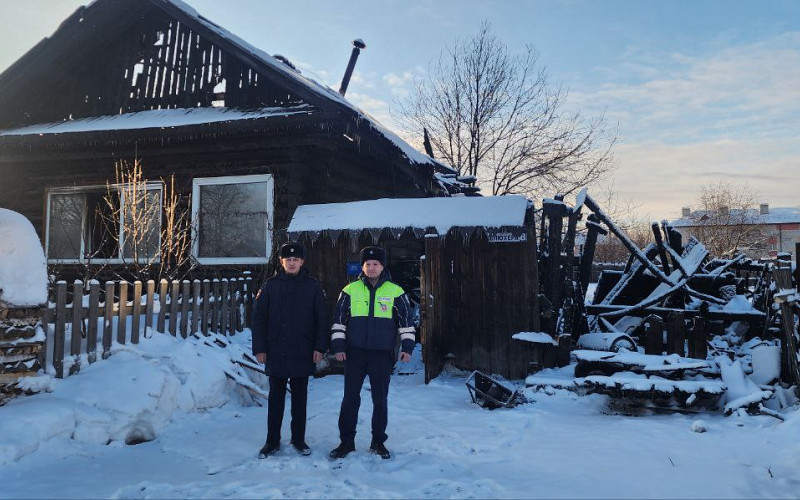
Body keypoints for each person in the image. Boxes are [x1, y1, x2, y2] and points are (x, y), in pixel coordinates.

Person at [329, 246, 416, 460]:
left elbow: (406, 322)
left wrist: (407, 348)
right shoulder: (350, 290)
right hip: (355, 354)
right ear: (362, 266)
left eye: (375, 264)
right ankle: (346, 442)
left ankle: (378, 442)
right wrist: (338, 347)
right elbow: (339, 322)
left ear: (382, 266)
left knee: (380, 400)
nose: (371, 267)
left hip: (381, 355)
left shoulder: (396, 292)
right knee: (350, 399)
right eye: (367, 264)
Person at [252, 242, 328, 458]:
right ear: (281, 261)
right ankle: (272, 441)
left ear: (302, 262)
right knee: (275, 400)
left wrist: (320, 347)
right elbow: (258, 319)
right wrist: (260, 348)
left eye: (296, 259)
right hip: (276, 351)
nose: (292, 263)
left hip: (303, 351)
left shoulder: (313, 287)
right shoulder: (270, 286)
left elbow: (322, 319)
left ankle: (298, 439)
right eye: (288, 259)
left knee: (299, 401)